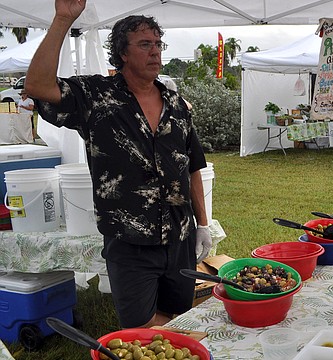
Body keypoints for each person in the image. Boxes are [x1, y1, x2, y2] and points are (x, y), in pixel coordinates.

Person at [25, 0, 212, 329]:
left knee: (180, 320)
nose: (155, 52)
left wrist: (204, 224)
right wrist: (63, 19)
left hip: (180, 236)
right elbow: (38, 87)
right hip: (130, 242)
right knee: (139, 327)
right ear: (122, 53)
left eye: (158, 44)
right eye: (144, 45)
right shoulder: (96, 96)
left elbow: (192, 165)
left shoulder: (176, 105)